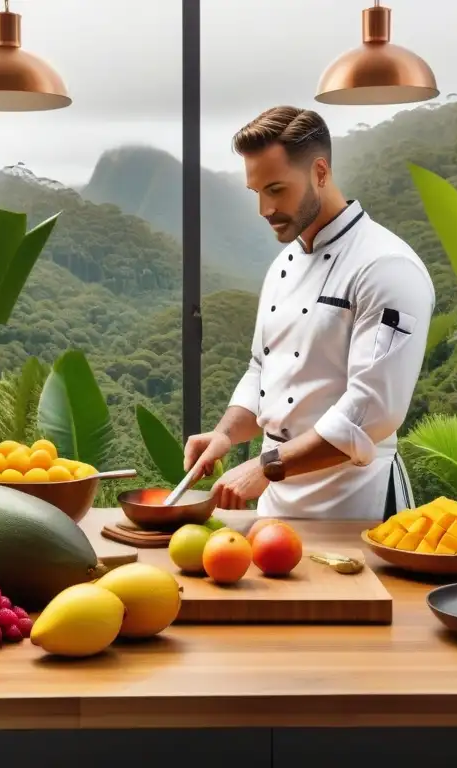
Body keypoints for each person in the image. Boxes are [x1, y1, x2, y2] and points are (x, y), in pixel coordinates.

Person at [184, 106, 434, 521]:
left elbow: (372, 411)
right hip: (276, 505)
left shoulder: (387, 266)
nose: (265, 209)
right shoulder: (284, 264)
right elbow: (261, 369)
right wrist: (225, 436)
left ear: (320, 172)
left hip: (357, 505)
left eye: (277, 189)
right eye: (257, 192)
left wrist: (266, 467)